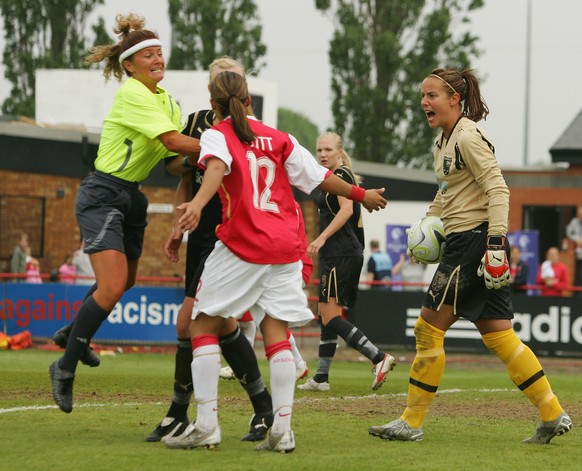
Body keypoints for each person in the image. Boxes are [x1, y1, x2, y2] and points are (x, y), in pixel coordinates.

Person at [163, 71, 386, 453]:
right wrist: (362, 193)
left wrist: (198, 205)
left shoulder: (216, 133)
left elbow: (215, 169)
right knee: (277, 332)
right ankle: (282, 431)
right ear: (249, 101)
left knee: (201, 323)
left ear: (214, 104)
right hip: (285, 245)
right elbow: (320, 178)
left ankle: (206, 426)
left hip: (244, 242)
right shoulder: (279, 137)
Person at [368, 68, 571, 445]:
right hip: (471, 242)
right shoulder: (443, 142)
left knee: (428, 328)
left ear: (454, 100)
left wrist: (495, 244)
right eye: (423, 95)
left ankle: (411, 422)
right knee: (499, 335)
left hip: (474, 244)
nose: (424, 102)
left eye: (432, 95)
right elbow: (446, 195)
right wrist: (428, 221)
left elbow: (499, 188)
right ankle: (551, 412)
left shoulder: (467, 136)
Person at [49, 13, 204, 414]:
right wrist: (222, 147)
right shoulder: (133, 93)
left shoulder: (169, 101)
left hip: (131, 195)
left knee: (126, 280)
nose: (157, 59)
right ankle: (64, 368)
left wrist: (200, 162)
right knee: (113, 284)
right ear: (129, 65)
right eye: (148, 55)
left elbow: (172, 160)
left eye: (159, 53)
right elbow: (174, 139)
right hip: (102, 193)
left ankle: (73, 333)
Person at [145, 56, 274, 444]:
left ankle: (180, 414)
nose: (225, 86)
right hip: (201, 231)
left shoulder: (252, 128)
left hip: (232, 230)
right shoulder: (199, 120)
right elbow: (175, 170)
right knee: (223, 323)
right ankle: (263, 409)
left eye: (231, 79)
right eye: (220, 80)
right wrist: (178, 222)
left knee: (191, 322)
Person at [297, 132, 396, 392]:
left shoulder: (340, 176)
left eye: (328, 149)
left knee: (329, 317)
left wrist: (320, 238)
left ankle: (378, 357)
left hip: (341, 252)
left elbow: (346, 210)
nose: (322, 154)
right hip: (341, 253)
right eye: (319, 149)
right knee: (326, 314)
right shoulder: (335, 177)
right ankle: (321, 378)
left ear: (340, 153)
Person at [565, 206, 582, 294]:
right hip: (576, 253)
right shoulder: (574, 222)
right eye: (579, 214)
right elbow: (568, 233)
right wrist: (577, 239)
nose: (580, 215)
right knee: (577, 275)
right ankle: (578, 294)